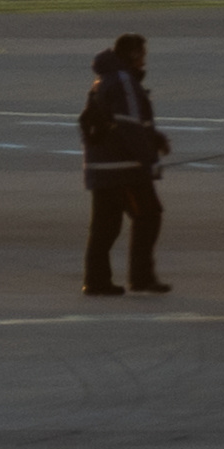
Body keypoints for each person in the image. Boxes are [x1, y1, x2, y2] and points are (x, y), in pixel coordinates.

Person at [80, 33, 178, 296]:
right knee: (149, 215)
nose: (144, 61)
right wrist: (149, 161)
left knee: (105, 226)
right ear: (133, 55)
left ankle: (96, 281)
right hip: (123, 170)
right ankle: (141, 277)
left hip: (101, 168)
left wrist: (155, 138)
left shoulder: (104, 79)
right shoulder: (124, 81)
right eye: (142, 55)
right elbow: (131, 127)